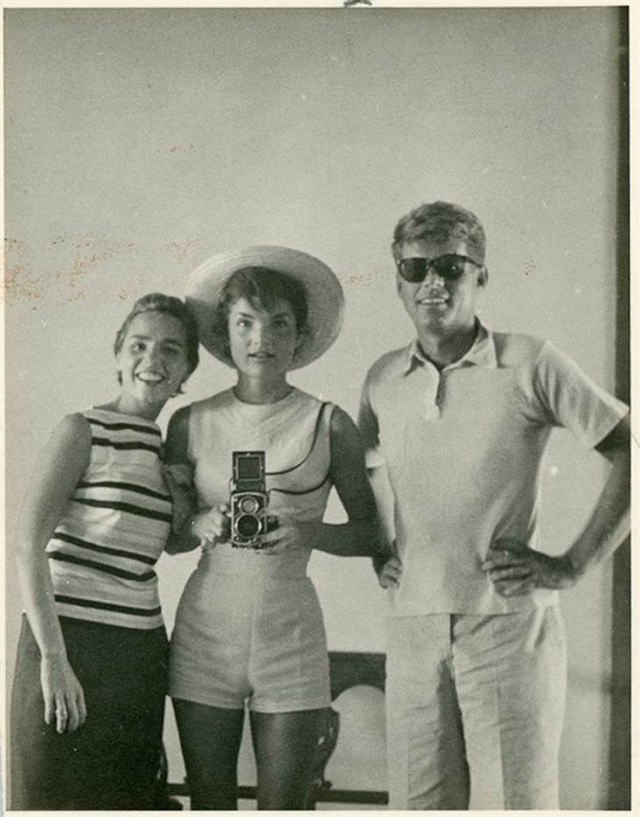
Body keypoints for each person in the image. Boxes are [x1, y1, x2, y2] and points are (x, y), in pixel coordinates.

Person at [358, 201, 630, 810]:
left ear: (482, 276)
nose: (433, 283)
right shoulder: (382, 378)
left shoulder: (530, 362)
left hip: (506, 625)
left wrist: (574, 564)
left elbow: (631, 449)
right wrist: (381, 547)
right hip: (414, 625)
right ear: (397, 279)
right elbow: (365, 467)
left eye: (452, 267)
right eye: (416, 268)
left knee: (518, 806)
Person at [166, 246, 391, 810]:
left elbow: (372, 534)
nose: (260, 338)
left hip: (290, 637)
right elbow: (172, 539)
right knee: (210, 802)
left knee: (287, 807)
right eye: (245, 322)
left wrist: (310, 533)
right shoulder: (189, 421)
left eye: (278, 324)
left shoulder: (328, 422)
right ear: (225, 331)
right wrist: (200, 521)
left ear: (299, 336)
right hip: (204, 634)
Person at [9, 293, 200, 810]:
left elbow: (167, 544)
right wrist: (53, 658)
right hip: (66, 641)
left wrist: (189, 503)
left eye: (171, 350)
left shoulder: (169, 449)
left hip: (138, 652)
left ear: (187, 370)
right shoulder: (81, 429)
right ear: (118, 354)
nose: (153, 360)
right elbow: (25, 543)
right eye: (139, 345)